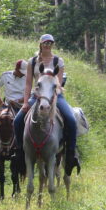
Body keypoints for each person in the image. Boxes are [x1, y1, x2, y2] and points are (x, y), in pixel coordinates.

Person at [13, 34, 80, 173]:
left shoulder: (58, 61)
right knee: (17, 121)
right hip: (36, 96)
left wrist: (53, 101)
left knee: (71, 120)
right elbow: (28, 84)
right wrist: (25, 103)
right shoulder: (32, 62)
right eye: (45, 42)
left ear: (53, 44)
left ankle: (70, 155)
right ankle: (19, 152)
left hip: (56, 96)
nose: (47, 45)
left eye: (50, 42)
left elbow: (58, 85)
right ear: (41, 44)